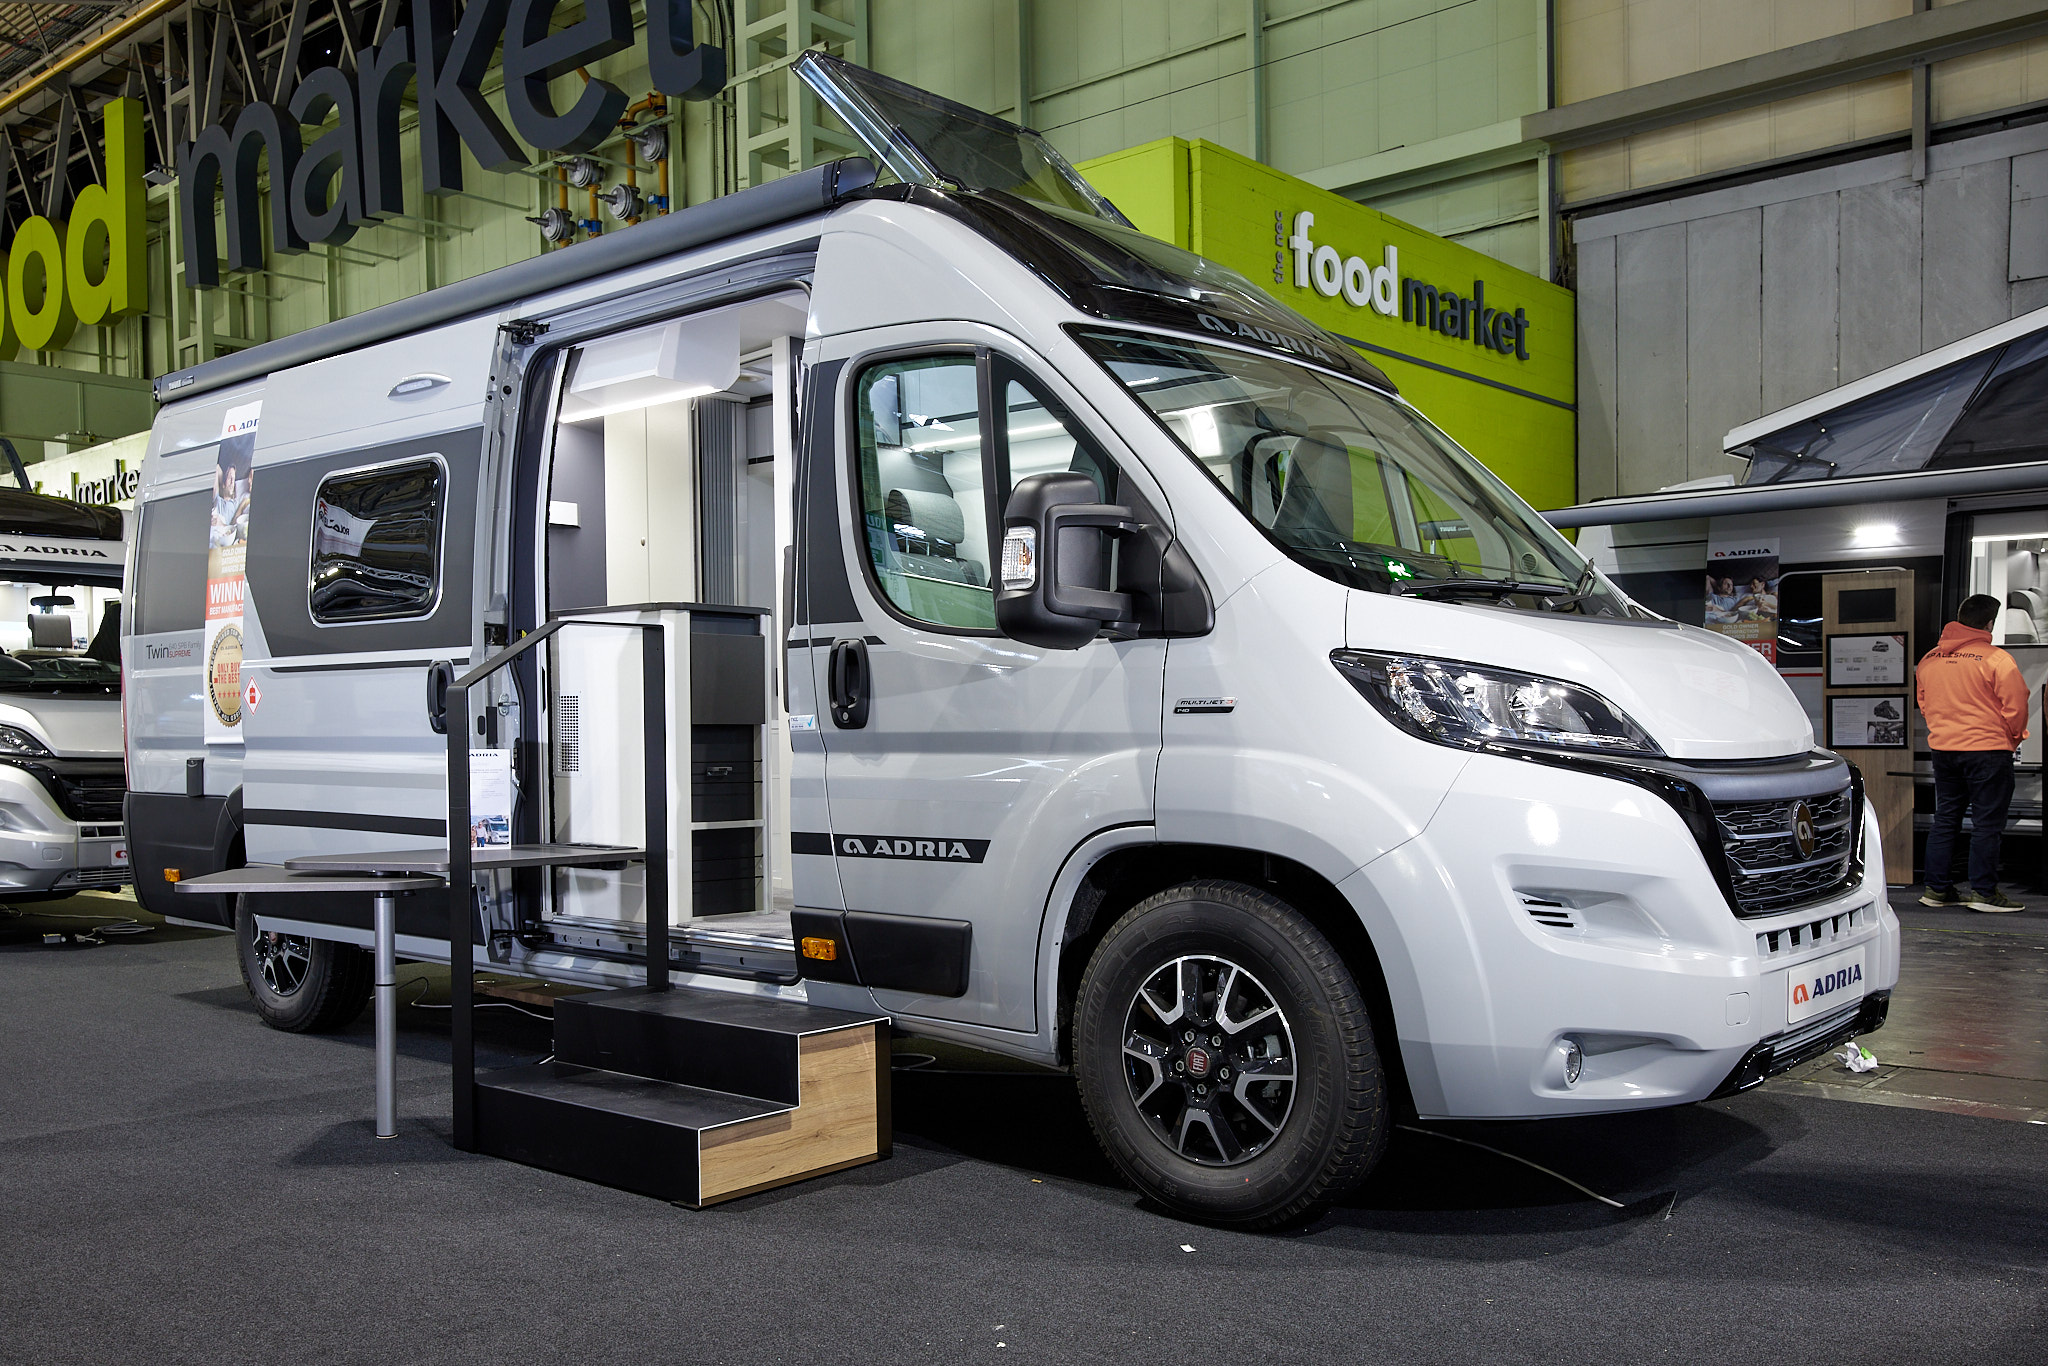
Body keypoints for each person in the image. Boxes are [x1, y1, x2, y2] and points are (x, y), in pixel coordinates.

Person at [1916, 593, 2029, 912]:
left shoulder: (1930, 659)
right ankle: (1984, 893)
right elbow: (2017, 706)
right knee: (1987, 822)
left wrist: (1945, 729)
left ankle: (1936, 889)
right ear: (1990, 623)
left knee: (1946, 818)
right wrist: (2012, 738)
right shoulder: (1996, 659)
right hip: (1988, 750)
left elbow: (1924, 703)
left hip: (1944, 750)